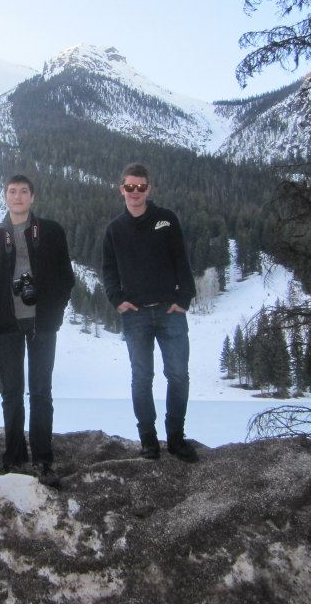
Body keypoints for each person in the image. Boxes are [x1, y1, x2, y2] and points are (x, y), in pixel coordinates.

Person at [0, 175, 75, 486]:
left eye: (23, 192)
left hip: (43, 323)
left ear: (33, 197)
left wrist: (54, 311)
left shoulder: (51, 231)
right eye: (11, 191)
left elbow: (65, 278)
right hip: (6, 325)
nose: (17, 197)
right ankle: (14, 456)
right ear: (5, 197)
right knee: (11, 393)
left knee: (41, 392)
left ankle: (43, 460)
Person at [101, 163, 199, 462]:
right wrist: (117, 299)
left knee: (179, 376)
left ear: (148, 189)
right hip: (136, 315)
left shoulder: (166, 220)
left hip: (171, 312)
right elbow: (108, 270)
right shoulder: (115, 229)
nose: (135, 192)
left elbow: (182, 259)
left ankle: (176, 438)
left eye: (140, 187)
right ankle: (148, 441)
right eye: (130, 187)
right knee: (141, 378)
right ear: (121, 189)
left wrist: (185, 298)